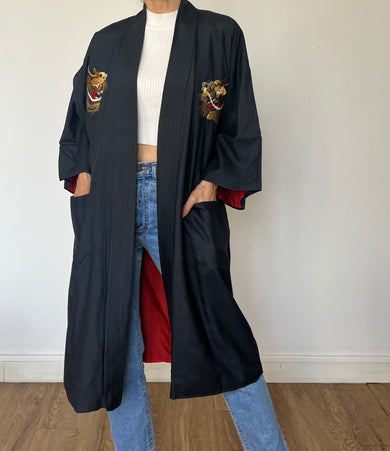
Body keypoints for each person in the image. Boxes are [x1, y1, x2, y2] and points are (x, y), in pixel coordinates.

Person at [59, 0, 289, 449]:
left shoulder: (219, 34)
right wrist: (85, 180)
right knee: (114, 339)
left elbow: (238, 118)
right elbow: (81, 121)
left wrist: (210, 183)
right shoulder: (108, 40)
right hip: (110, 198)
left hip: (182, 197)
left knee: (221, 332)